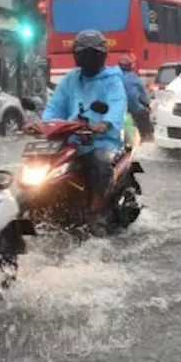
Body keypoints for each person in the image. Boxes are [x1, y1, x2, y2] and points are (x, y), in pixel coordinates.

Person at [33, 30, 126, 229]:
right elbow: (55, 106)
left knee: (100, 164)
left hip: (102, 140)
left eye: (92, 55)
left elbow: (117, 104)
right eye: (84, 54)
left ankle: (96, 213)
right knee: (41, 159)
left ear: (102, 56)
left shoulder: (112, 80)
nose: (88, 59)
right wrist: (44, 125)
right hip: (72, 138)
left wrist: (105, 123)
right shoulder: (71, 79)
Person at [118, 54, 153, 142]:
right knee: (145, 117)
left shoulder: (113, 77)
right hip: (134, 110)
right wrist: (147, 105)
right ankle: (147, 137)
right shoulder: (134, 78)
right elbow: (143, 96)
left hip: (117, 110)